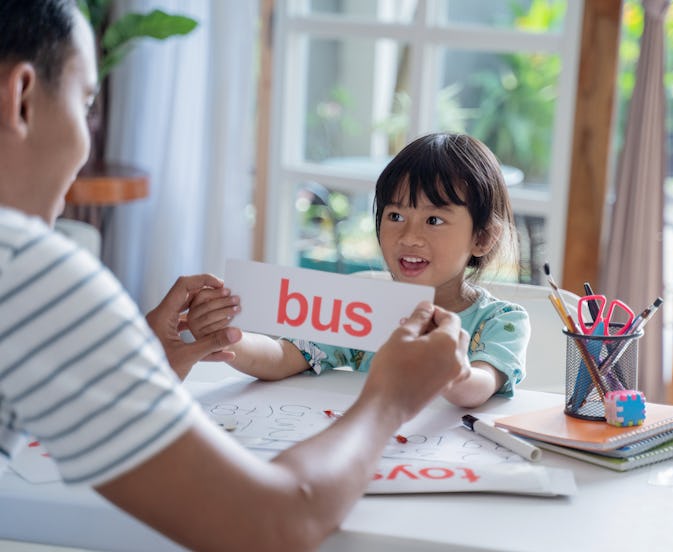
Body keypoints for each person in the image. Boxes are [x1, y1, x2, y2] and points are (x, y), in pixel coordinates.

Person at [0, 2, 469, 550]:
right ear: (23, 98)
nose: (86, 142)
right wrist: (389, 399)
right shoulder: (28, 270)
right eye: (85, 104)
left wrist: (138, 362)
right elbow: (271, 524)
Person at [188, 132, 530, 408]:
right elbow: (284, 356)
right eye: (395, 216)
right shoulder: (363, 307)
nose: (410, 236)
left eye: (434, 220)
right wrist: (231, 339)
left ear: (482, 238)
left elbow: (480, 386)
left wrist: (454, 374)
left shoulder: (501, 321)